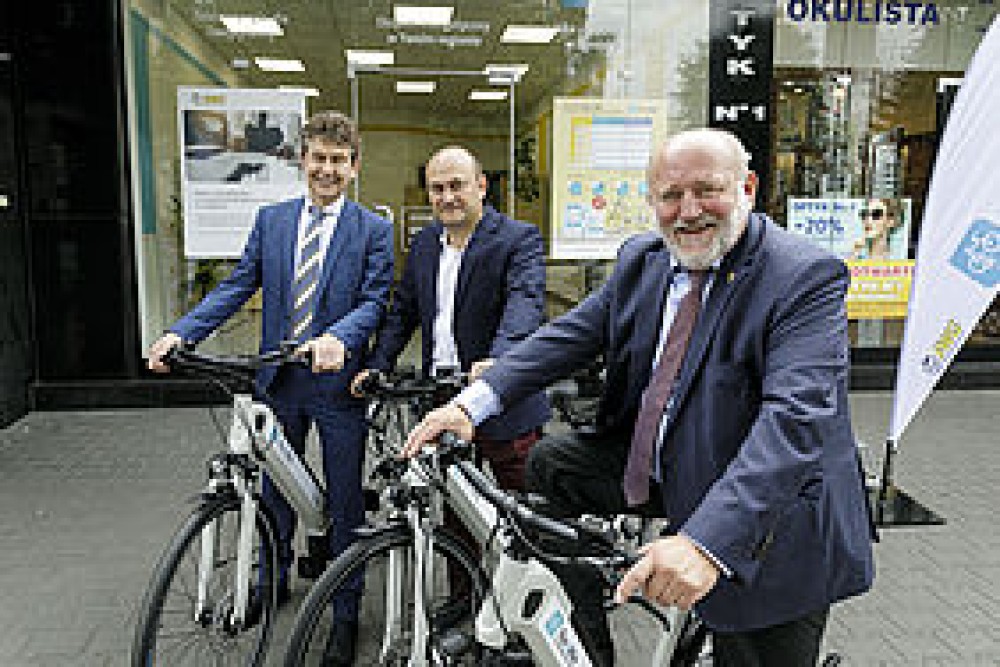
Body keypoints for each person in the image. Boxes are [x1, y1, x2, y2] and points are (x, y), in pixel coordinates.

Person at [403, 128, 875, 666]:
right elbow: (572, 334)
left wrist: (707, 543)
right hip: (673, 460)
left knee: (749, 642)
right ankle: (587, 644)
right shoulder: (643, 258)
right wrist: (473, 403)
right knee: (553, 464)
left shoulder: (804, 277)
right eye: (671, 196)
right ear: (652, 201)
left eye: (707, 190)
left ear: (747, 186)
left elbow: (794, 421)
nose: (689, 210)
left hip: (773, 509)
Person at [147, 110, 394, 666]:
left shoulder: (372, 230)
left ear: (353, 167)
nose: (326, 169)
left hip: (336, 383)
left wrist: (338, 338)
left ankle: (346, 612)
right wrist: (180, 333)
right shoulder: (273, 221)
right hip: (278, 379)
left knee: (345, 497)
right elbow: (237, 286)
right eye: (317, 158)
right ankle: (272, 576)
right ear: (301, 160)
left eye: (338, 160)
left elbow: (375, 301)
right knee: (274, 487)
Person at [352, 145, 549, 533]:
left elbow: (524, 303)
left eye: (456, 186)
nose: (447, 198)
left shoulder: (517, 239)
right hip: (443, 396)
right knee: (457, 514)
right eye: (436, 188)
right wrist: (377, 365)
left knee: (525, 515)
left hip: (502, 396)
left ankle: (529, 592)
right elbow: (404, 310)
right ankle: (464, 594)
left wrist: (500, 360)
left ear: (481, 186)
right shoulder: (425, 244)